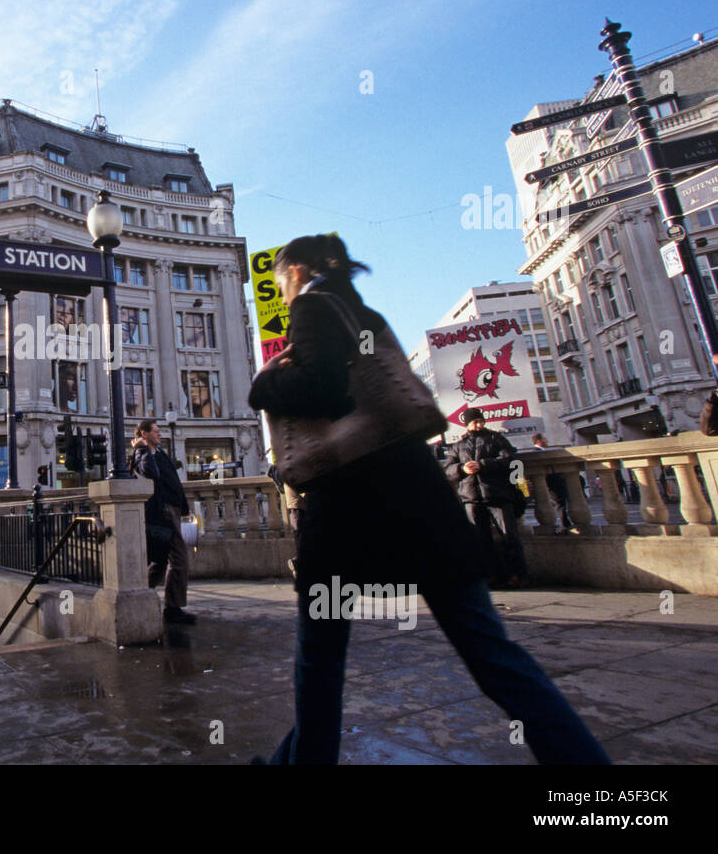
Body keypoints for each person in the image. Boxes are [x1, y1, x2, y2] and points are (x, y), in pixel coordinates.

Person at [247, 233, 608, 765]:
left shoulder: (312, 305)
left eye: (281, 278)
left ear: (296, 270)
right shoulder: (361, 310)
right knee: (491, 652)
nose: (281, 288)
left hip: (348, 505)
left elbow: (326, 390)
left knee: (320, 663)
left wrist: (264, 388)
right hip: (420, 500)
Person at [444, 409, 528, 588]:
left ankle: (516, 575)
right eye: (474, 422)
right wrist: (462, 469)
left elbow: (511, 460)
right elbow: (448, 470)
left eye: (480, 421)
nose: (478, 425)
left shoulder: (497, 439)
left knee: (509, 537)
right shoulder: (458, 445)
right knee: (479, 540)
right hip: (471, 497)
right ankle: (489, 575)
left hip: (497, 494)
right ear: (467, 424)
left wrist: (482, 465)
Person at [130, 420, 194, 624]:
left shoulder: (160, 453)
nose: (160, 434)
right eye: (156, 432)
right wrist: (141, 448)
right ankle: (172, 608)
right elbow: (151, 474)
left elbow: (173, 481)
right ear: (144, 434)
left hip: (172, 510)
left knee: (160, 561)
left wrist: (183, 507)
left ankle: (137, 597)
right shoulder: (142, 455)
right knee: (179, 558)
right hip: (162, 512)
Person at [530, 433, 573, 533]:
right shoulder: (536, 453)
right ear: (539, 441)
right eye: (545, 439)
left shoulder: (541, 451)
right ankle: (565, 525)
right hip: (552, 483)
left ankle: (565, 523)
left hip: (554, 482)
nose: (547, 441)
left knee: (561, 504)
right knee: (559, 504)